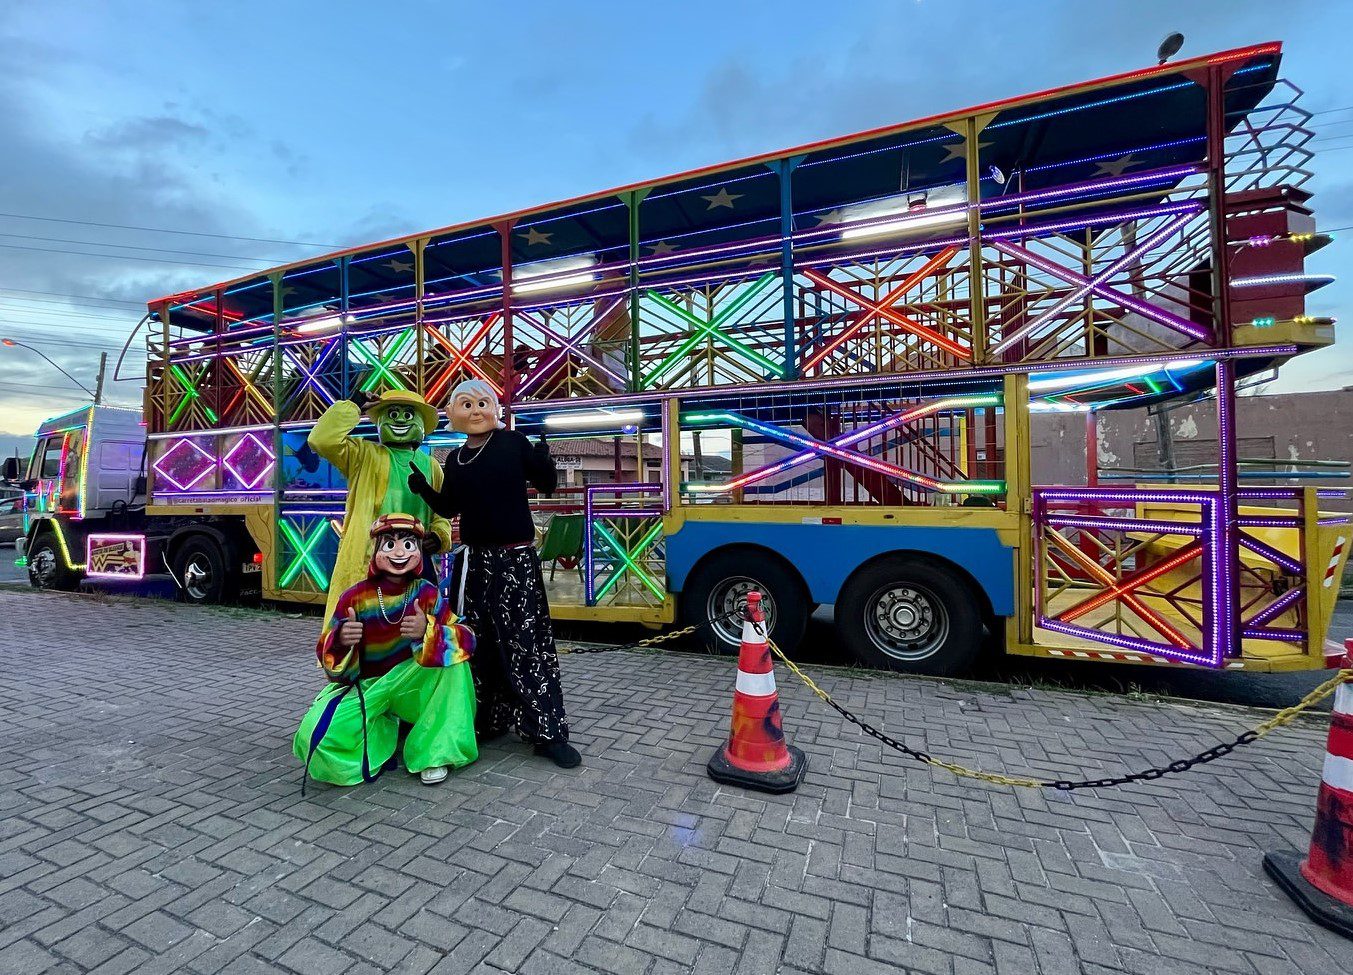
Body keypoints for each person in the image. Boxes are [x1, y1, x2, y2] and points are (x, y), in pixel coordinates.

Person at [408, 378, 580, 769]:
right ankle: (486, 720)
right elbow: (450, 507)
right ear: (451, 415)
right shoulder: (454, 458)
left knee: (525, 644)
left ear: (496, 409)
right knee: (475, 641)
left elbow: (547, 484)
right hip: (475, 563)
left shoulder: (512, 443)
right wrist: (422, 490)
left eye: (482, 403)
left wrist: (543, 458)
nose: (475, 411)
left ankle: (546, 732)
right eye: (465, 405)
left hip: (514, 559)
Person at [293, 514, 477, 787]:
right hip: (368, 686)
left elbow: (468, 639)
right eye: (389, 544)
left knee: (454, 662)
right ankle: (381, 735)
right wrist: (342, 639)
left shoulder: (426, 593)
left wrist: (428, 631)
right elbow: (328, 659)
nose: (400, 552)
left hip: (412, 684)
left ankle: (435, 752)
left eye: (409, 544)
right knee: (315, 737)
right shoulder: (354, 597)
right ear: (375, 550)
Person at [308, 389, 453, 629]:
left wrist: (439, 536)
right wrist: (353, 406)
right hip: (370, 565)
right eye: (392, 413)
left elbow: (440, 514)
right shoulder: (364, 455)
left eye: (408, 414)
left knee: (416, 632)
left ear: (420, 422)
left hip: (414, 566)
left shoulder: (431, 466)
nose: (399, 420)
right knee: (368, 630)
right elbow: (321, 439)